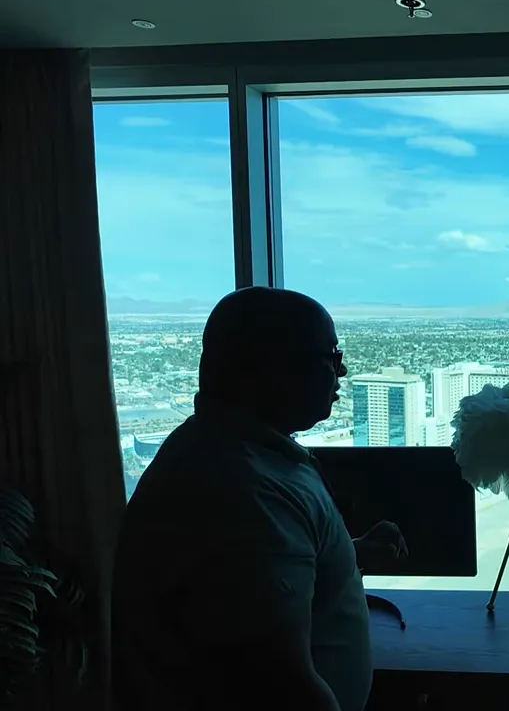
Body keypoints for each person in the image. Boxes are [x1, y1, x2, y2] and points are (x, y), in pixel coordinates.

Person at [113, 287, 408, 711]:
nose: (340, 372)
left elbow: (255, 587)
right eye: (331, 356)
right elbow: (281, 685)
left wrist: (350, 554)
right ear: (274, 369)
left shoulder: (227, 454)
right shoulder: (244, 492)